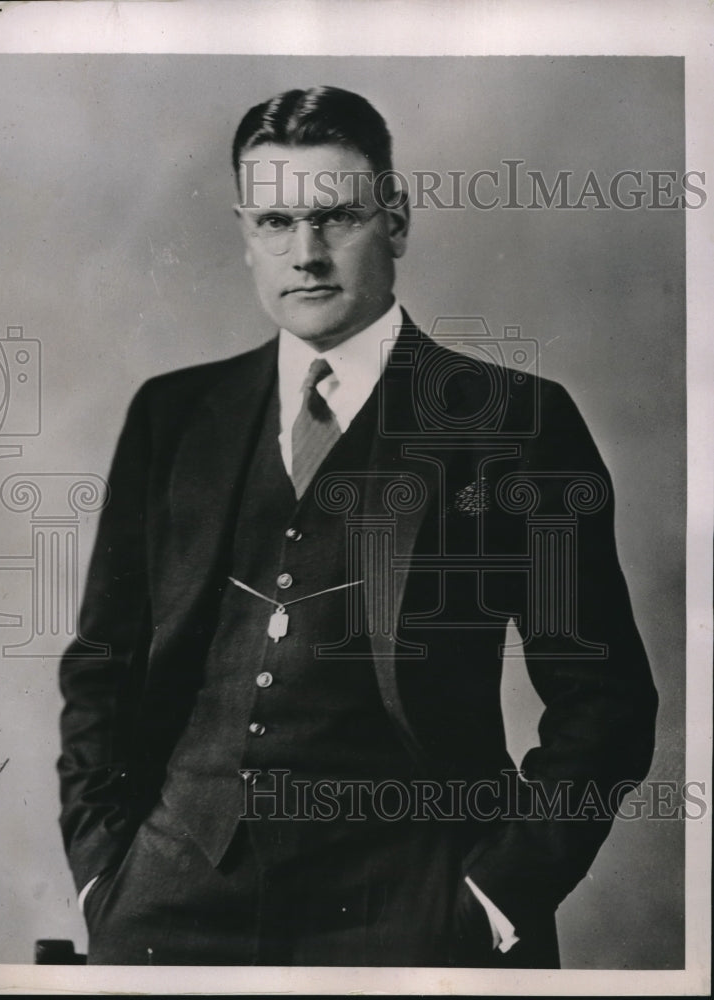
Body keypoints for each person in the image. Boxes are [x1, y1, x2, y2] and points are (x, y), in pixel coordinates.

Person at [57, 85, 658, 967]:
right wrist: (102, 880)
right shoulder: (174, 415)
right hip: (171, 907)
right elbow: (101, 665)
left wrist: (495, 898)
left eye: (335, 217)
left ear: (396, 221)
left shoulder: (511, 423)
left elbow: (604, 701)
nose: (305, 254)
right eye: (274, 223)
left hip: (415, 909)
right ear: (244, 234)